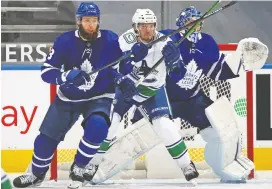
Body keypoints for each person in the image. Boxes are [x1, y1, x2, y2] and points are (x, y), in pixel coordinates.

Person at [12, 2, 148, 188]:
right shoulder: (64, 41)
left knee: (99, 127)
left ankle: (79, 166)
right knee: (45, 140)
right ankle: (36, 174)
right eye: (86, 20)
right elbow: (46, 72)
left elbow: (123, 67)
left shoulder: (110, 40)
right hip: (68, 97)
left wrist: (134, 60)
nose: (91, 25)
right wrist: (66, 76)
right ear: (79, 21)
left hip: (99, 96)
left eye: (94, 20)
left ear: (99, 21)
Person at [85, 8, 199, 183]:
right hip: (126, 89)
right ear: (135, 27)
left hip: (152, 91)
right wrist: (124, 76)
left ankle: (186, 165)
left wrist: (175, 62)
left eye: (151, 25)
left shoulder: (165, 43)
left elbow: (178, 75)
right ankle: (93, 163)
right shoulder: (124, 41)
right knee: (109, 125)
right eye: (143, 26)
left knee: (165, 126)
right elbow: (111, 69)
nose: (148, 30)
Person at [159, 6, 268, 182]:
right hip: (163, 99)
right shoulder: (167, 37)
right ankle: (103, 161)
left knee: (219, 131)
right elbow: (146, 51)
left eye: (198, 22)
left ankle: (223, 168)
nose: (196, 25)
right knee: (138, 131)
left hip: (192, 99)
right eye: (190, 22)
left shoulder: (206, 42)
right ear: (181, 24)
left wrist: (238, 63)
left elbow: (216, 71)